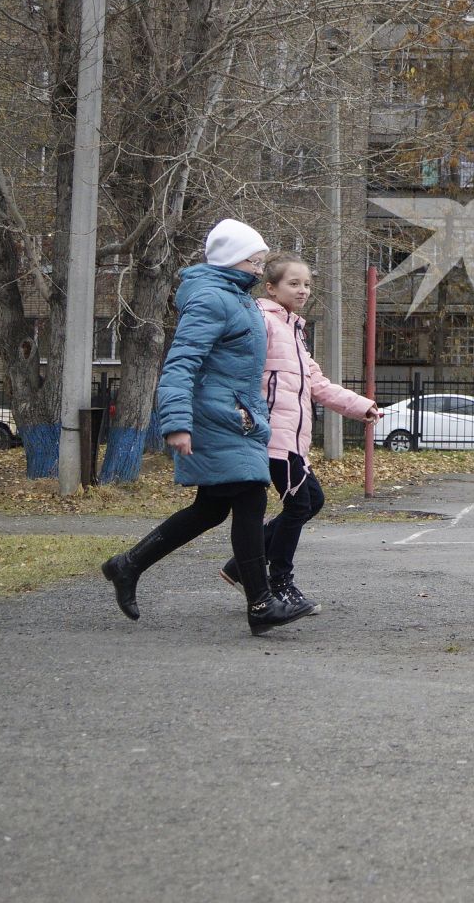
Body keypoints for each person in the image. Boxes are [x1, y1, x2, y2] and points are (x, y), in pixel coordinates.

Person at [101, 220, 310, 635]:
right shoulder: (214, 299)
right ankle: (261, 603)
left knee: (212, 508)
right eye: (256, 260)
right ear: (237, 261)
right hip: (220, 419)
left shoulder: (236, 298)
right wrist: (176, 423)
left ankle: (127, 565)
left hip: (237, 417)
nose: (260, 267)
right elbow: (181, 363)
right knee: (251, 497)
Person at [213, 253, 379, 613]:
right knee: (299, 504)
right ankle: (280, 582)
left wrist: (360, 405)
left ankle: (241, 565)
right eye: (293, 283)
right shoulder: (262, 323)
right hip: (273, 436)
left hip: (295, 438)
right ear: (271, 288)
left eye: (306, 284)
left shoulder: (295, 330)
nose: (302, 290)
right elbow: (242, 371)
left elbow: (316, 384)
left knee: (312, 502)